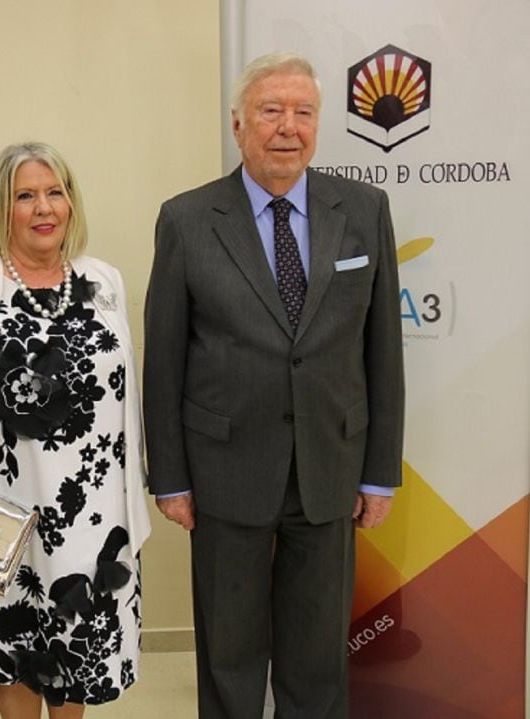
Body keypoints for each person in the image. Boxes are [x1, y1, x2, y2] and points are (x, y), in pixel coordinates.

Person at [143, 51, 405, 718]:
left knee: (318, 653)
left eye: (303, 112)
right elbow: (165, 358)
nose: (288, 127)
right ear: (238, 124)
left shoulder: (365, 210)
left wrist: (379, 474)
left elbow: (383, 350)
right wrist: (169, 476)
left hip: (330, 465)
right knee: (230, 649)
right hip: (224, 467)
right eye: (270, 111)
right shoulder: (187, 219)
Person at [0, 142, 151, 719]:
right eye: (25, 196)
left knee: (80, 653)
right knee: (17, 648)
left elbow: (123, 398)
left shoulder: (104, 281)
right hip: (2, 513)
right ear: (1, 208)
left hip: (96, 514)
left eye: (55, 192)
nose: (44, 208)